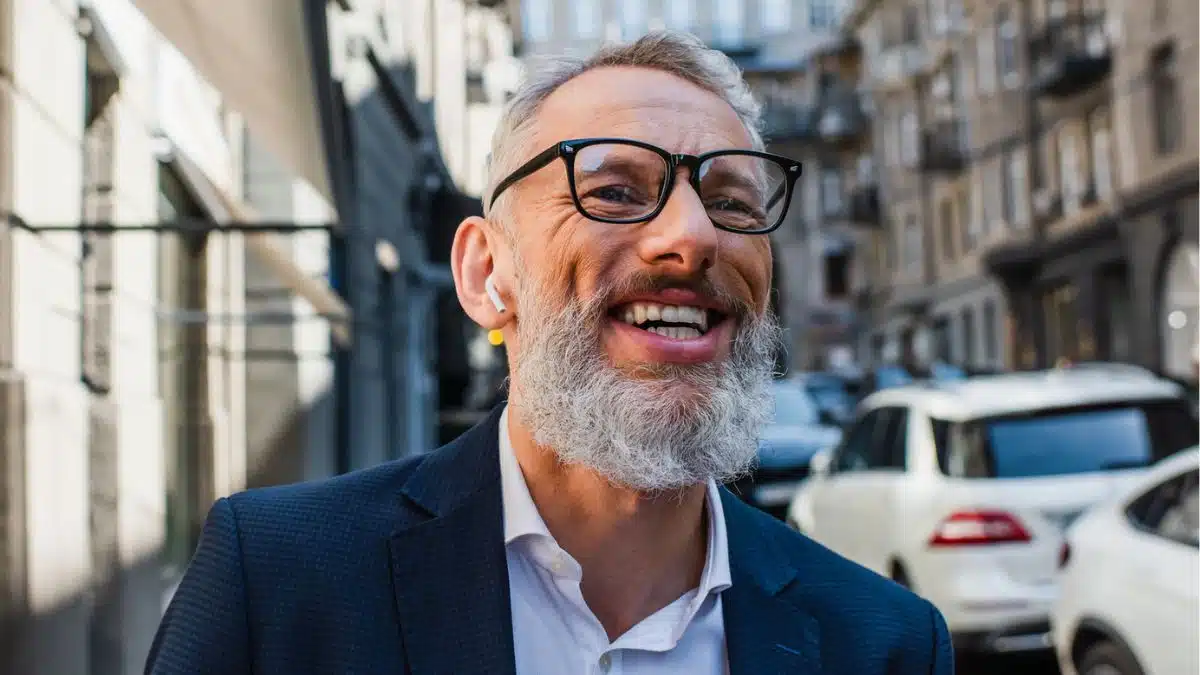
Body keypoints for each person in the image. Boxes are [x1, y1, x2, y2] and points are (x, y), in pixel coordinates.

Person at [146, 32, 953, 674]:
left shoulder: (884, 641)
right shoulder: (278, 585)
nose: (691, 236)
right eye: (614, 191)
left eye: (731, 200)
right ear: (486, 272)